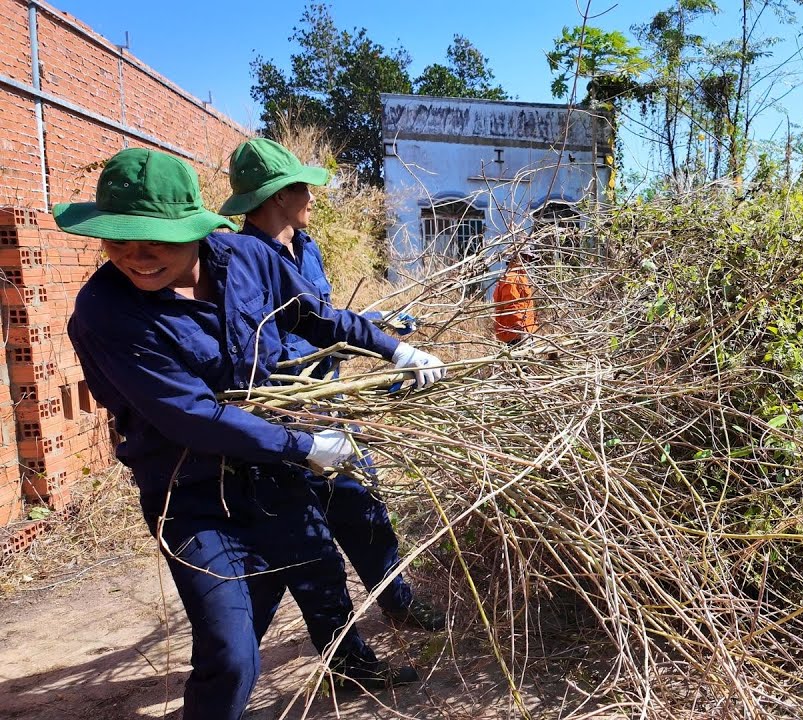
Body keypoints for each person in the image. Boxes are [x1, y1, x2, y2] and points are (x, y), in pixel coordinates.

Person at [61, 148, 446, 720]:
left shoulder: (244, 259)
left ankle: (351, 666)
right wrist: (307, 445)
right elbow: (191, 417)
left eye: (155, 243)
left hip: (275, 476)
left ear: (193, 227)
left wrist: (395, 348)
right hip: (191, 492)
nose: (137, 260)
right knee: (231, 651)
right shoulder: (104, 314)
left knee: (319, 577)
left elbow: (313, 316)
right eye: (119, 243)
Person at [219, 138, 444, 631]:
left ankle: (397, 600)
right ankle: (329, 651)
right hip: (287, 417)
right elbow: (262, 349)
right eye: (305, 189)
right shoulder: (242, 261)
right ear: (279, 195)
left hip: (331, 404)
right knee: (308, 545)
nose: (313, 198)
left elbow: (321, 321)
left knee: (366, 511)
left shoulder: (307, 249)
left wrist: (375, 326)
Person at [493, 249, 540, 345]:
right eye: (526, 259)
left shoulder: (520, 277)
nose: (528, 263)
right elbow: (512, 306)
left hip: (524, 329)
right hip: (517, 333)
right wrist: (520, 329)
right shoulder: (511, 279)